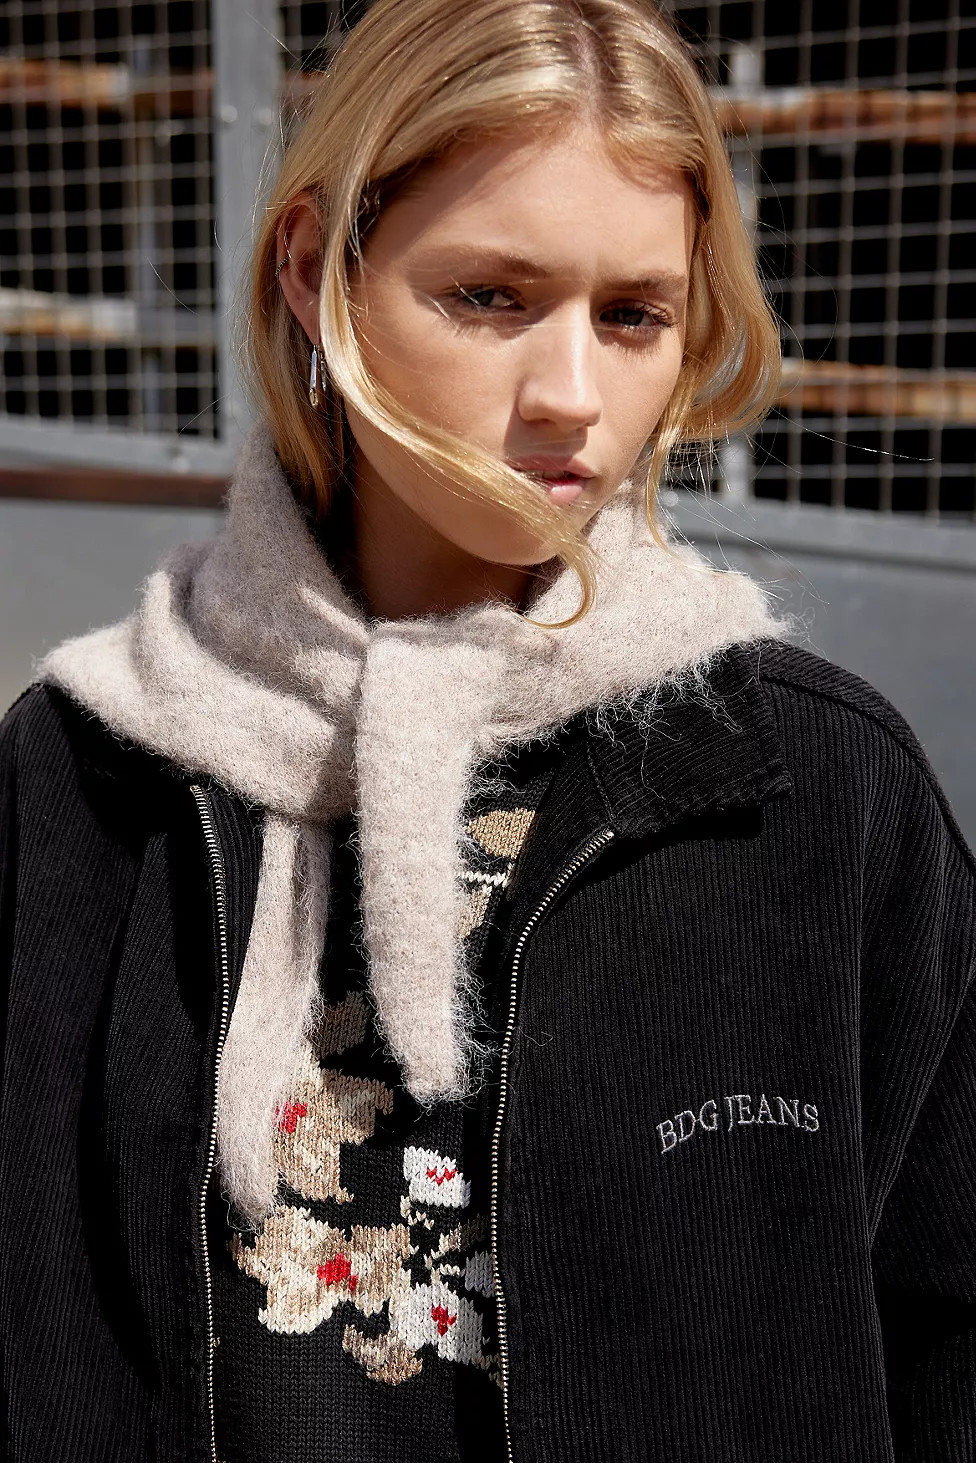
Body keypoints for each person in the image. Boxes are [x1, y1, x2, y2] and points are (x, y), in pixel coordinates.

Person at [1, 0, 973, 1459]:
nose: (571, 396)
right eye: (491, 297)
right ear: (314, 269)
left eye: (634, 316)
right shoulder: (86, 775)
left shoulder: (816, 792)